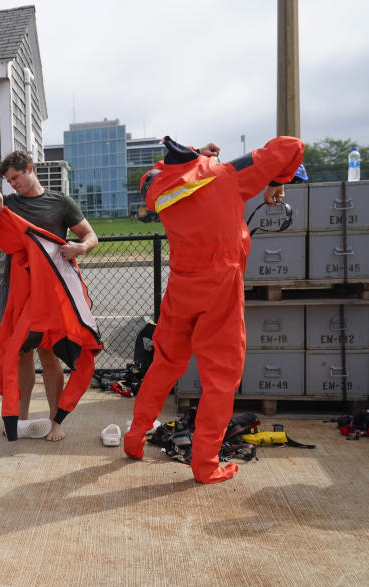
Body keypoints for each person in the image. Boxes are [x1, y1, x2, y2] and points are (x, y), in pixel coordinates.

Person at [123, 136, 304, 484]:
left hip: (181, 285)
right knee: (220, 379)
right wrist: (275, 183)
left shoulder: (158, 186)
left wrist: (196, 158)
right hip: (221, 286)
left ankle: (135, 437)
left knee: (165, 363)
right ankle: (205, 464)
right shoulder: (227, 175)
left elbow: (161, 172)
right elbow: (291, 146)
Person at [0, 151, 98, 441]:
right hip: (17, 292)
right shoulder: (8, 203)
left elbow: (90, 236)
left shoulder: (60, 202)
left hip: (51, 293)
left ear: (29, 169)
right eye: (8, 181)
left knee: (48, 354)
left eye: (16, 177)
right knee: (20, 354)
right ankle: (20, 419)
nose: (13, 185)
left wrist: (79, 247)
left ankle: (56, 422)